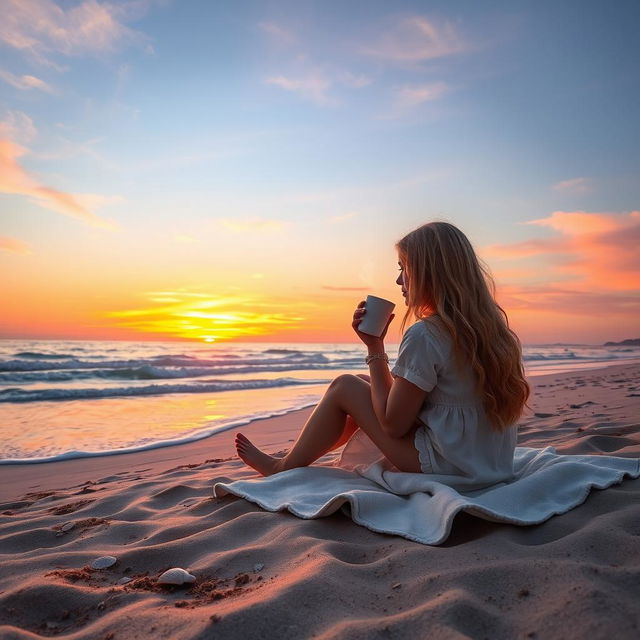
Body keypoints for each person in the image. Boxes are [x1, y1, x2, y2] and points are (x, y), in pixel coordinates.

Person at [235, 221, 530, 485]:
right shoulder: (495, 331)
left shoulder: (427, 334)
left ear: (429, 273)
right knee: (364, 381)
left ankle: (282, 466)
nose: (399, 281)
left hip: (450, 465)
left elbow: (393, 424)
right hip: (489, 461)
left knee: (345, 386)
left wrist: (374, 347)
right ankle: (295, 458)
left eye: (404, 268)